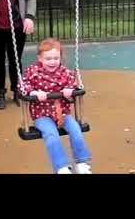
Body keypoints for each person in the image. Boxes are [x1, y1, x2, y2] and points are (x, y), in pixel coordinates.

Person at [19, 38, 92, 174]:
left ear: (60, 58)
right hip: (42, 115)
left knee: (76, 129)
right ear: (40, 58)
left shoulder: (64, 72)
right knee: (51, 135)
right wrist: (34, 92)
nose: (52, 62)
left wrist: (70, 91)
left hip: (63, 113)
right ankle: (61, 167)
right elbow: (23, 85)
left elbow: (74, 84)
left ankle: (82, 162)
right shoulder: (33, 72)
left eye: (55, 58)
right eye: (48, 59)